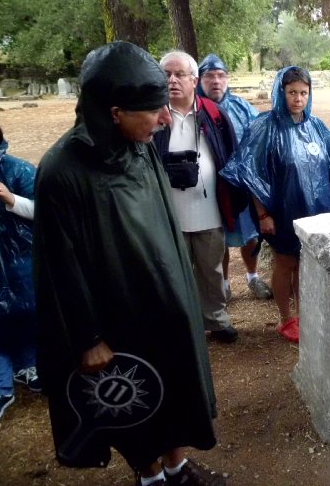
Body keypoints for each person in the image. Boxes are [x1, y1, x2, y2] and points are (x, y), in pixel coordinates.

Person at [33, 42, 224, 485]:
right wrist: (86, 337)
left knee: (175, 389)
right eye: (153, 110)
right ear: (115, 112)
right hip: (115, 320)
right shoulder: (63, 171)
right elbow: (59, 264)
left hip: (162, 304)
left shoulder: (140, 150)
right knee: (134, 406)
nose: (163, 119)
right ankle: (152, 476)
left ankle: (177, 468)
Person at [221, 66, 330, 343]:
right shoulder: (266, 126)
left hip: (316, 210)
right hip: (282, 211)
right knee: (285, 262)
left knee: (306, 264)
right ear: (281, 92)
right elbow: (251, 172)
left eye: (303, 92)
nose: (298, 98)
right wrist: (263, 213)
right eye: (292, 92)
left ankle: (304, 315)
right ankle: (286, 318)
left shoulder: (315, 126)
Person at [153, 50, 239, 344]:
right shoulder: (152, 116)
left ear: (194, 80)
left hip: (209, 210)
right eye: (166, 74)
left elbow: (231, 156)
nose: (173, 80)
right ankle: (181, 325)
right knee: (173, 273)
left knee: (211, 270)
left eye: (180, 75)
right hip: (167, 213)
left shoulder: (214, 114)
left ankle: (216, 319)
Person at [197, 54, 273, 301]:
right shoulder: (194, 109)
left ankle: (252, 277)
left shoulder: (242, 108)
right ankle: (224, 284)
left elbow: (261, 139)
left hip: (241, 185)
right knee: (217, 238)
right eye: (209, 75)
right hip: (209, 186)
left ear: (227, 78)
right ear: (200, 79)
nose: (216, 81)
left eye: (220, 75)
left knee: (248, 234)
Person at [0, 122, 40, 423]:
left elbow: (48, 211)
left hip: (20, 258)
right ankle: (1, 385)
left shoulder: (18, 170)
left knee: (26, 311)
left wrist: (10, 200)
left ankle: (29, 365)